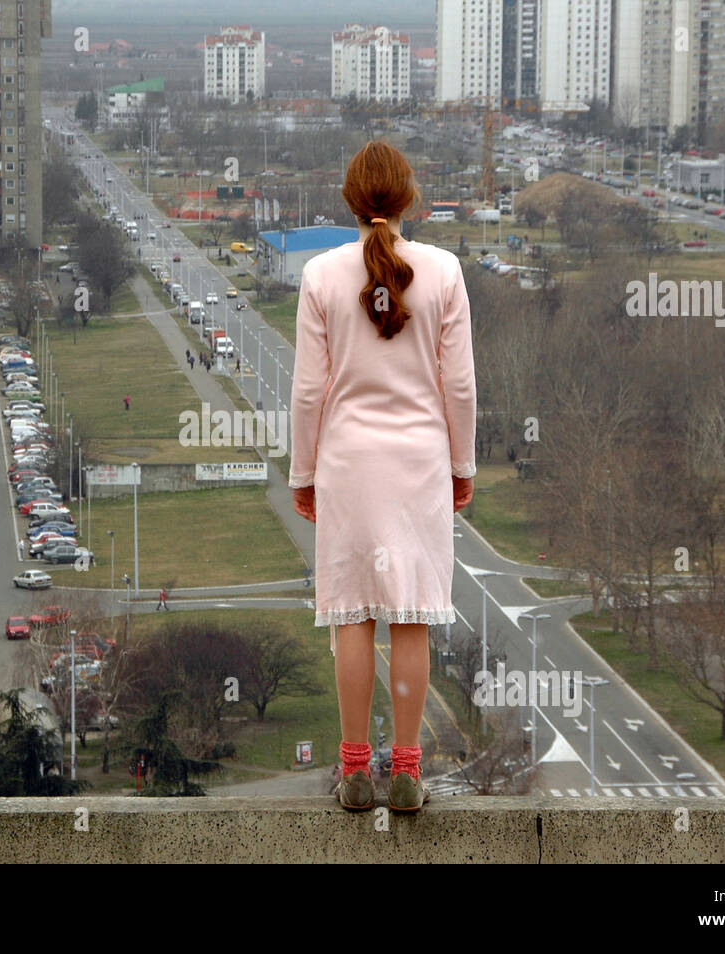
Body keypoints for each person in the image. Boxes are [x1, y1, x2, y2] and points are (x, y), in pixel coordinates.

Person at [289, 141, 476, 815]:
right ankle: (405, 770)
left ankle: (353, 771)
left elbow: (309, 391)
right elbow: (460, 389)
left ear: (349, 198)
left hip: (347, 464)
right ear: (408, 198)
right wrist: (461, 467)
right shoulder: (446, 271)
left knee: (353, 615)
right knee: (411, 617)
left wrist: (302, 473)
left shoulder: (318, 275)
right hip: (419, 464)